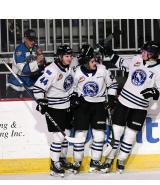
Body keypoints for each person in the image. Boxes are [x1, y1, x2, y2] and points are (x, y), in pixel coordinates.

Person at [100, 41, 160, 173]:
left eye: (145, 52)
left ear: (152, 54)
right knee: (116, 133)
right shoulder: (137, 59)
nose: (141, 53)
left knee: (130, 136)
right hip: (123, 103)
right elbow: (123, 64)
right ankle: (109, 160)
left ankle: (121, 159)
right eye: (142, 51)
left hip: (140, 109)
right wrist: (110, 54)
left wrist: (155, 92)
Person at [70, 44, 118, 174]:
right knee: (80, 136)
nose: (95, 62)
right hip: (83, 105)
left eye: (95, 59)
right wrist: (73, 96)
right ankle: (77, 162)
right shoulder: (76, 71)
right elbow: (71, 87)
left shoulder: (103, 70)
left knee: (99, 135)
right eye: (91, 61)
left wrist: (112, 98)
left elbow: (113, 84)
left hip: (99, 105)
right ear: (85, 62)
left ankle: (95, 161)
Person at [32, 45, 75, 177]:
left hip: (66, 106)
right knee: (58, 137)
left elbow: (69, 85)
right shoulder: (51, 70)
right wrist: (41, 102)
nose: (70, 58)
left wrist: (73, 95)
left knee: (66, 134)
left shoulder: (70, 67)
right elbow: (38, 88)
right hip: (55, 108)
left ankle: (61, 159)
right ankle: (54, 163)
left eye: (70, 56)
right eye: (67, 56)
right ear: (60, 57)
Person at [6, 29, 46, 98]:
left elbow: (42, 66)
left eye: (34, 40)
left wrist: (42, 60)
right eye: (30, 40)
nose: (33, 42)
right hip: (16, 83)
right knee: (11, 105)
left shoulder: (36, 48)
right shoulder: (19, 50)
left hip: (29, 82)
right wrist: (37, 61)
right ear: (25, 39)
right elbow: (24, 69)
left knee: (31, 105)